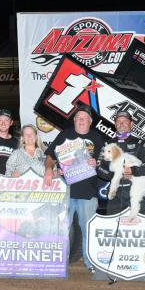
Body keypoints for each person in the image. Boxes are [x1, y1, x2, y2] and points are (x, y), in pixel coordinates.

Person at [43, 105, 104, 273]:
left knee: (88, 229)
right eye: (78, 117)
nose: (81, 120)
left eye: (85, 118)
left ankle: (90, 263)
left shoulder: (97, 138)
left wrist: (97, 163)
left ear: (90, 122)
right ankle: (57, 262)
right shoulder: (65, 135)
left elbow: (107, 164)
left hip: (89, 192)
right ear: (75, 120)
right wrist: (50, 168)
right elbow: (50, 156)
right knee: (61, 228)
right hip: (66, 192)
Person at [97, 110, 145, 216]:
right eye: (119, 121)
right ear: (115, 124)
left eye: (125, 121)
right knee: (112, 228)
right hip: (115, 194)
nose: (121, 123)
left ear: (131, 124)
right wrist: (117, 174)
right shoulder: (107, 144)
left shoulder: (140, 143)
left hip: (136, 190)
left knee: (140, 226)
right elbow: (99, 168)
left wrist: (133, 170)